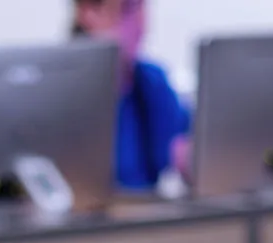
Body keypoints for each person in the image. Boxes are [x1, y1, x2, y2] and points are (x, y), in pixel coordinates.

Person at [73, 0, 190, 191]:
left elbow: (185, 146)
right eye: (127, 10)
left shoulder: (152, 81)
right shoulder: (61, 100)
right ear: (88, 13)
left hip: (145, 215)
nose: (140, 24)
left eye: (141, 8)